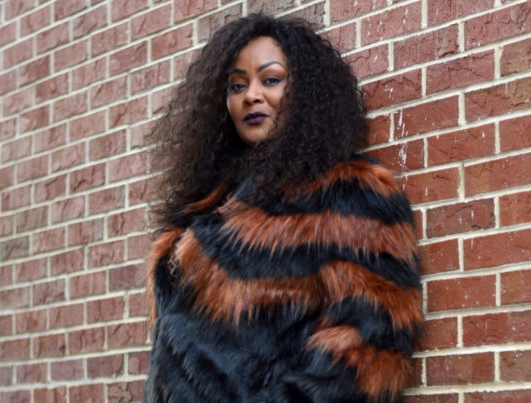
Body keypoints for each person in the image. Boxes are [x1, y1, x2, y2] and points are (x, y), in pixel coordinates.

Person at [143, 13, 422, 403]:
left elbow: (367, 352)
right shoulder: (211, 203)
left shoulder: (349, 196)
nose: (250, 95)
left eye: (270, 79)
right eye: (236, 85)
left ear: (306, 91)